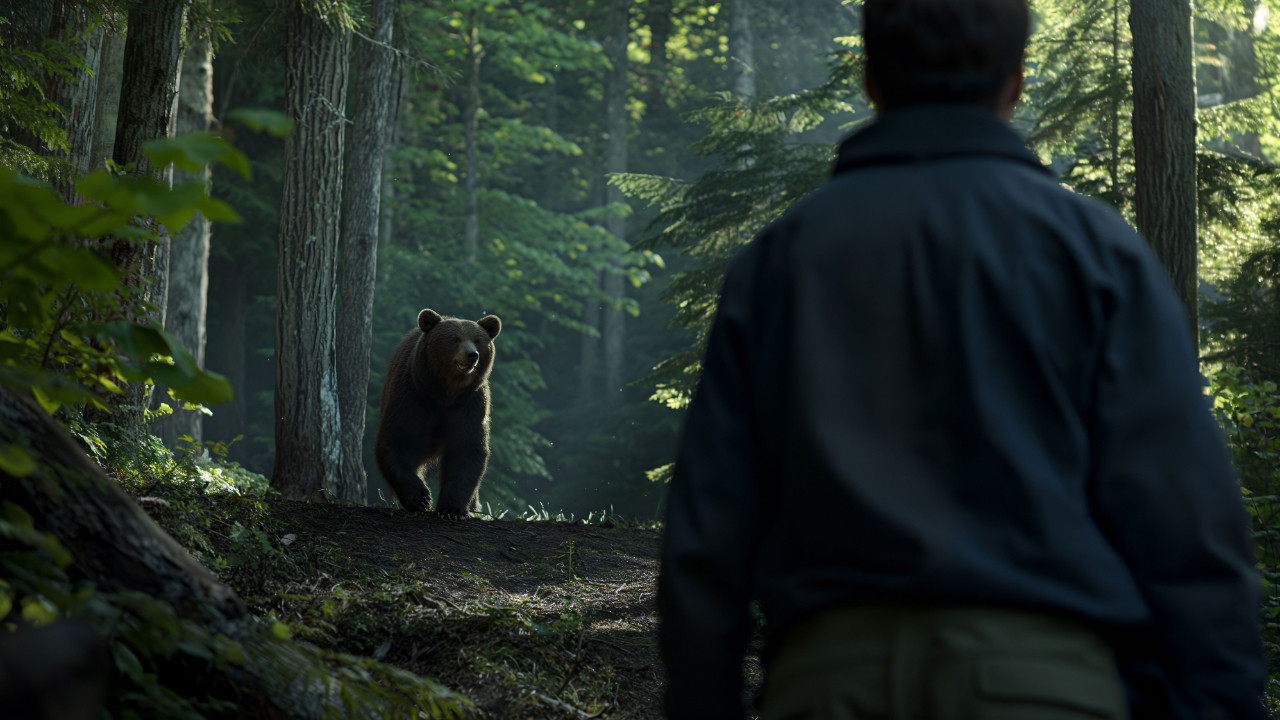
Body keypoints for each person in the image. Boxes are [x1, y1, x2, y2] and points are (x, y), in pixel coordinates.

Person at [657, 0, 1266, 718]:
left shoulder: (784, 257)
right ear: (1015, 81)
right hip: (1048, 684)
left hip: (828, 682)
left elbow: (710, 522)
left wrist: (704, 700)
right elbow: (1184, 514)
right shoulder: (1094, 251)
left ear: (869, 79)